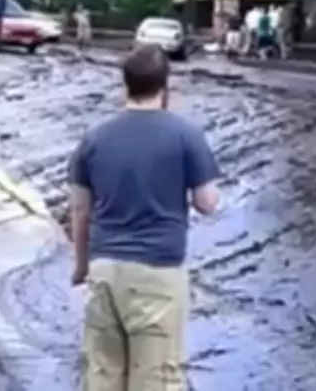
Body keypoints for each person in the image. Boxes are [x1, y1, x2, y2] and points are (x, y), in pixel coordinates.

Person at [69, 44, 221, 391]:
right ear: (166, 88)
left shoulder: (93, 138)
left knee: (102, 374)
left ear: (124, 87)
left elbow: (79, 210)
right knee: (156, 379)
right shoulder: (185, 134)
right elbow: (207, 203)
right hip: (158, 274)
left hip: (104, 271)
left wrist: (81, 267)